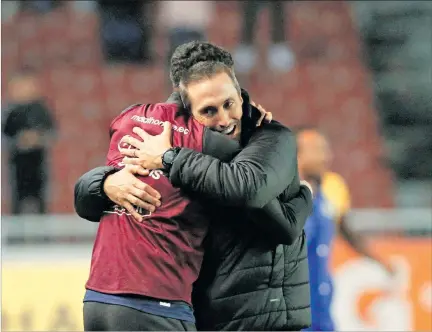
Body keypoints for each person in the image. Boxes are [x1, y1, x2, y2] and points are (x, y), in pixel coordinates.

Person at [75, 41, 312, 330]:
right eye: (209, 110)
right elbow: (281, 221)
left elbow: (250, 190)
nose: (224, 119)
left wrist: (162, 159)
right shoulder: (205, 143)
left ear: (240, 93)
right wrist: (106, 183)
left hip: (257, 316)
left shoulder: (271, 137)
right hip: (169, 306)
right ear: (185, 100)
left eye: (230, 104)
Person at [295, 126, 395, 330]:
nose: (326, 156)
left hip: (321, 302)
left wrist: (377, 259)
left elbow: (345, 229)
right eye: (317, 149)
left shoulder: (332, 187)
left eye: (326, 149)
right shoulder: (278, 195)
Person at [3, 69, 56, 214]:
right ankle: (16, 234)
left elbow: (52, 132)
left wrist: (37, 138)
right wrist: (19, 141)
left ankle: (44, 234)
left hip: (38, 163)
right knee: (17, 201)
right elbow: (5, 136)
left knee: (40, 201)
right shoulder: (11, 112)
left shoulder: (40, 110)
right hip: (17, 165)